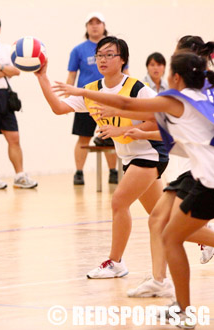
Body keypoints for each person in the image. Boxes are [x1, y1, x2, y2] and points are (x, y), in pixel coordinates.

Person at [61, 50, 214, 328]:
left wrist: (78, 90)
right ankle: (177, 302)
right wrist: (139, 131)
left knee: (170, 236)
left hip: (209, 181)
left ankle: (183, 309)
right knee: (164, 226)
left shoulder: (177, 99)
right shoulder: (206, 96)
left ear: (176, 77)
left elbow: (124, 101)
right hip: (203, 176)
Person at [36, 36, 169, 279]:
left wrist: (120, 130)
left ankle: (116, 262)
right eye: (99, 55)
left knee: (119, 202)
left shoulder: (138, 88)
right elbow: (59, 107)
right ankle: (206, 235)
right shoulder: (93, 90)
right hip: (130, 158)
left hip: (150, 152)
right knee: (164, 218)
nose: (103, 59)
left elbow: (159, 122)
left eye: (109, 55)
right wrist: (41, 77)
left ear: (123, 60)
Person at [67, 12, 120, 185]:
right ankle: (79, 172)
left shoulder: (115, 49)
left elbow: (125, 73)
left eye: (98, 22)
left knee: (109, 135)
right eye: (91, 23)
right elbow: (71, 76)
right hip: (85, 99)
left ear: (104, 26)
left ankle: (113, 172)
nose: (95, 26)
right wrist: (69, 99)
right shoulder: (78, 50)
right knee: (83, 137)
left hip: (109, 99)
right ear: (86, 27)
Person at [0, 15, 37, 189]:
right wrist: (6, 70)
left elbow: (17, 70)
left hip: (6, 96)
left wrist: (0, 68)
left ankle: (19, 176)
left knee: (14, 137)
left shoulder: (5, 49)